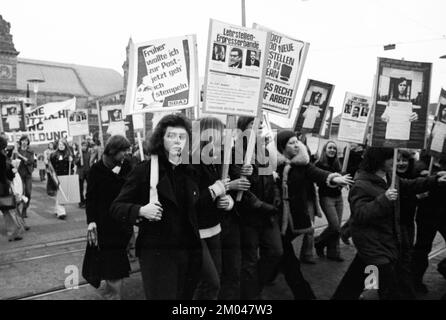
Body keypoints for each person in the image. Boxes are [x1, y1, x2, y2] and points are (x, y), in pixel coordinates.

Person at [332, 147, 446, 300]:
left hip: (382, 242)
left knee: (356, 281)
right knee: (392, 288)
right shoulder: (361, 184)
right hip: (374, 245)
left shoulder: (390, 176)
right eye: (394, 157)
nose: (396, 161)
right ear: (380, 160)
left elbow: (408, 185)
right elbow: (360, 214)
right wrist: (384, 199)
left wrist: (434, 180)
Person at [110, 114, 202, 300]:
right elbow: (116, 207)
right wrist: (141, 210)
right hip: (159, 254)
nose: (177, 141)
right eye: (171, 135)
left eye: (182, 137)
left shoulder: (190, 170)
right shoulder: (145, 170)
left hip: (187, 251)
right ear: (161, 139)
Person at [276, 130, 353, 299]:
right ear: (281, 146)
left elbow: (317, 173)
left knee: (278, 253)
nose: (296, 145)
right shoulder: (271, 164)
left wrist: (334, 178)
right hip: (273, 219)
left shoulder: (303, 163)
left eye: (297, 141)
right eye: (291, 143)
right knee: (289, 262)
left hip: (292, 219)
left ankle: (268, 273)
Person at [234, 116, 283, 300]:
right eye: (253, 125)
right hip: (249, 217)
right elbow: (242, 189)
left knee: (276, 252)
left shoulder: (264, 152)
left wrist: (276, 197)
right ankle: (251, 297)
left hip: (268, 215)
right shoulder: (235, 153)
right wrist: (264, 207)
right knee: (250, 261)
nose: (258, 129)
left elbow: (272, 180)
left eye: (261, 126)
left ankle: (255, 286)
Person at [84, 135, 133, 300]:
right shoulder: (96, 170)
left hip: (122, 221)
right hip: (104, 224)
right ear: (113, 151)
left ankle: (112, 292)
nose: (126, 154)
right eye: (123, 151)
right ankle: (113, 295)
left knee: (115, 262)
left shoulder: (126, 166)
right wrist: (91, 222)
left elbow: (131, 189)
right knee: (113, 262)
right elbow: (90, 198)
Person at [192, 117, 233, 300]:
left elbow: (221, 191)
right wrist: (217, 189)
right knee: (210, 282)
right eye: (219, 131)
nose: (224, 135)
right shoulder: (191, 162)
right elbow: (192, 201)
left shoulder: (216, 160)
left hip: (214, 227)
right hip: (196, 231)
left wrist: (227, 201)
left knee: (214, 280)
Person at [411, 157, 446, 294]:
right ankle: (415, 281)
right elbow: (415, 167)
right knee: (422, 248)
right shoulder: (426, 162)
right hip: (428, 212)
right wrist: (429, 175)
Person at [314, 141, 345, 261]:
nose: (332, 150)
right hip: (326, 197)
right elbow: (319, 181)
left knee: (336, 229)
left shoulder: (338, 164)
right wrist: (334, 180)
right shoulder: (319, 164)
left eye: (334, 148)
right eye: (330, 148)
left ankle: (333, 253)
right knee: (335, 226)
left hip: (339, 197)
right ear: (325, 149)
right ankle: (319, 241)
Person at [0, 136, 24, 241]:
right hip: (3, 186)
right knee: (10, 208)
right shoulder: (1, 157)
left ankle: (12, 232)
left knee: (6, 210)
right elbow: (4, 173)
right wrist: (13, 171)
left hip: (2, 186)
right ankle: (14, 232)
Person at [49, 139, 73, 219]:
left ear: (65, 146)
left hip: (66, 176)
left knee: (61, 193)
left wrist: (71, 161)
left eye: (63, 145)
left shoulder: (69, 154)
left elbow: (72, 166)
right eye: (60, 145)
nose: (61, 146)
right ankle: (61, 213)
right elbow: (51, 165)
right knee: (60, 193)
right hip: (57, 176)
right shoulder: (53, 155)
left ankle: (57, 210)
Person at [13, 135, 34, 219]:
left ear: (28, 142)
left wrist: (20, 156)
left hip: (28, 174)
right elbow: (12, 161)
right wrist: (14, 154)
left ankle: (24, 209)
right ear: (20, 141)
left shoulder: (30, 151)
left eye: (26, 141)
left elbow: (30, 161)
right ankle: (17, 208)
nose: (24, 142)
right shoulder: (16, 150)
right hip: (19, 175)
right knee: (19, 193)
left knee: (28, 192)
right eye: (23, 140)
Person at [75, 141, 91, 208]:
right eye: (83, 145)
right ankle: (81, 202)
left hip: (88, 172)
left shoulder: (89, 153)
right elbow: (75, 162)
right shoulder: (78, 153)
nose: (84, 147)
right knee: (80, 188)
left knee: (90, 187)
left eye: (85, 145)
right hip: (80, 172)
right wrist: (78, 158)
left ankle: (89, 200)